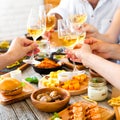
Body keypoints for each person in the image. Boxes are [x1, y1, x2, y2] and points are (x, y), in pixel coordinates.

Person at [48, 0, 120, 33]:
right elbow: (60, 13)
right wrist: (50, 21)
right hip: (76, 58)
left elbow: (111, 39)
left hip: (109, 61)